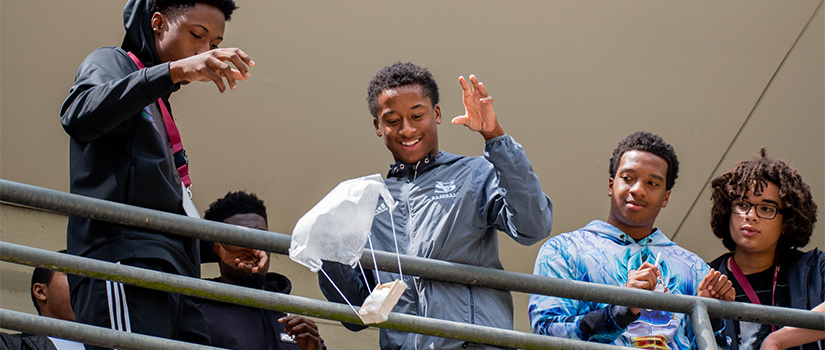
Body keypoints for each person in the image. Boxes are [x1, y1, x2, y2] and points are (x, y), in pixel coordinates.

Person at [58, 0, 264, 348]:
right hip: (125, 266)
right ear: (157, 23)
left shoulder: (156, 101)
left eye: (213, 45)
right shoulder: (112, 62)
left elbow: (162, 204)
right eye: (196, 35)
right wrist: (173, 71)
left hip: (176, 281)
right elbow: (78, 116)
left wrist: (216, 248)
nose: (204, 51)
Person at [318, 61, 554, 349]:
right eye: (392, 121)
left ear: (437, 114)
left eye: (417, 115)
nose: (406, 129)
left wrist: (495, 136)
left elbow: (534, 227)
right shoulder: (369, 201)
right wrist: (327, 247)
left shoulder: (475, 174)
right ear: (378, 126)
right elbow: (355, 313)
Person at [529, 131, 735, 349]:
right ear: (611, 185)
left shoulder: (694, 268)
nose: (638, 190)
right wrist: (620, 310)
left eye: (652, 183)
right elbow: (546, 334)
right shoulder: (563, 250)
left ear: (666, 197)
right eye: (628, 178)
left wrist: (709, 319)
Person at [707, 148, 823, 350]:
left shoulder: (814, 270)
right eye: (742, 204)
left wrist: (777, 340)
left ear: (787, 223)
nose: (750, 216)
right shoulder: (703, 275)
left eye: (766, 208)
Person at [199, 191, 325, 350]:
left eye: (261, 238)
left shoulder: (290, 313)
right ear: (217, 248)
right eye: (240, 240)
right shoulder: (200, 311)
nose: (253, 250)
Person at [0, 255, 86, 350]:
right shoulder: (10, 345)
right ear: (40, 292)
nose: (85, 285)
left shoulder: (104, 342)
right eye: (73, 275)